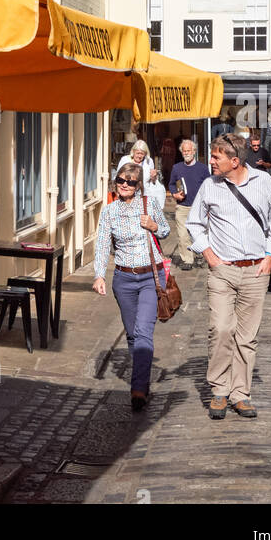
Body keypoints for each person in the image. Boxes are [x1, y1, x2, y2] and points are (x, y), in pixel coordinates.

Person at [187, 132, 271, 419]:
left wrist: (269, 257)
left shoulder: (263, 182)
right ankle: (219, 390)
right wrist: (210, 257)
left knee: (247, 336)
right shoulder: (210, 186)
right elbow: (195, 224)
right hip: (223, 271)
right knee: (220, 329)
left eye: (216, 157)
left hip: (256, 271)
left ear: (234, 160)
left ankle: (240, 393)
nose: (211, 161)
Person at [92, 160, 170, 412]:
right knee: (132, 334)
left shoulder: (150, 205)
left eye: (130, 182)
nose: (124, 185)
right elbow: (103, 243)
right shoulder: (109, 211)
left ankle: (138, 388)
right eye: (121, 181)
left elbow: (166, 231)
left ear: (138, 186)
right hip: (124, 279)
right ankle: (142, 378)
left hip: (151, 276)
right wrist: (99, 275)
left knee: (144, 331)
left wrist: (154, 226)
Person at [167, 138, 211, 270]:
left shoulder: (203, 169)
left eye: (188, 150)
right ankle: (187, 259)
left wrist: (208, 206)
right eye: (184, 151)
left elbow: (208, 187)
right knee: (182, 235)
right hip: (182, 206)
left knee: (200, 234)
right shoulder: (176, 168)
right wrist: (174, 194)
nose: (186, 153)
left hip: (199, 208)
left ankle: (201, 256)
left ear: (194, 151)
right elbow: (171, 184)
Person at [115, 141, 165, 209]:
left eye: (142, 153)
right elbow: (118, 178)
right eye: (138, 153)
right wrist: (118, 193)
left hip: (144, 196)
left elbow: (152, 181)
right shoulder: (125, 160)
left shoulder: (149, 161)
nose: (139, 156)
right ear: (133, 151)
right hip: (126, 195)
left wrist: (154, 177)